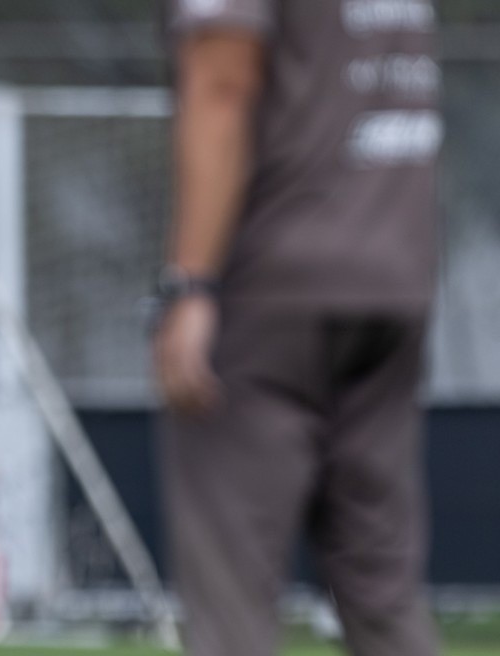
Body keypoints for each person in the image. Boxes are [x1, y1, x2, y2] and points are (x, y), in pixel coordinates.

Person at [154, 2, 442, 655]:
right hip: (397, 274)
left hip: (272, 284)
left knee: (233, 607)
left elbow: (223, 81)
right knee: (384, 598)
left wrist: (191, 285)